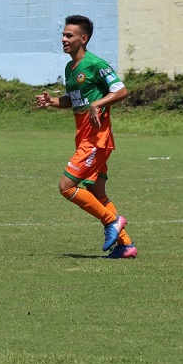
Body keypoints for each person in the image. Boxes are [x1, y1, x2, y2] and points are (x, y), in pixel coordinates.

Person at [36, 15, 137, 258]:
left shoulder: (95, 64)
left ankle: (112, 220)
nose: (63, 39)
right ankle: (126, 246)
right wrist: (51, 101)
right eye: (63, 34)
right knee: (96, 192)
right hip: (84, 138)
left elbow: (121, 90)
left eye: (69, 35)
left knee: (66, 186)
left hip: (96, 139)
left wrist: (98, 104)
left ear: (84, 38)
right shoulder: (71, 68)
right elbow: (73, 100)